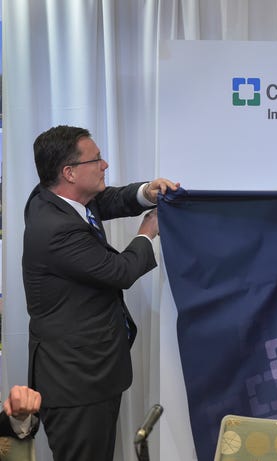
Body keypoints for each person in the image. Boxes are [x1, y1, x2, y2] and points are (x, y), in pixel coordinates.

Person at [22, 125, 180, 461]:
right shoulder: (56, 229)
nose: (105, 164)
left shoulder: (53, 197)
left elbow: (103, 200)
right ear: (69, 172)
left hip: (91, 373)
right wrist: (147, 233)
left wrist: (145, 192)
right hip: (75, 382)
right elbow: (119, 272)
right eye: (97, 159)